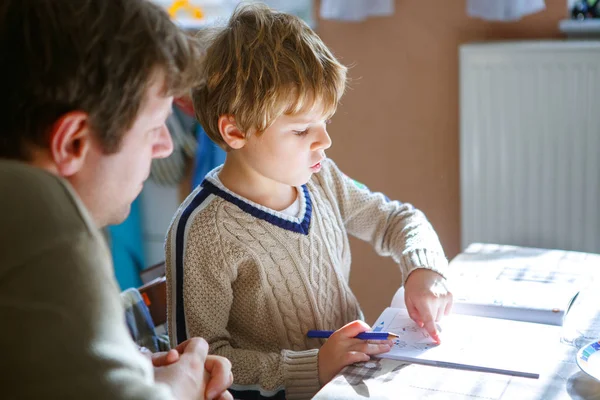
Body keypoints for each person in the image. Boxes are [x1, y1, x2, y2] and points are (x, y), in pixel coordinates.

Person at [165, 3, 453, 400]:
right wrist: (312, 366)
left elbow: (398, 220)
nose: (325, 141)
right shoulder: (202, 231)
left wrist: (423, 269)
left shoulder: (321, 179)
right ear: (234, 131)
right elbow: (200, 363)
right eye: (302, 130)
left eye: (326, 122)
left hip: (353, 385)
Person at [0, 1, 232, 399]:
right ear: (73, 141)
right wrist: (182, 386)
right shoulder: (38, 206)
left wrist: (129, 366)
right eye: (155, 127)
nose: (163, 147)